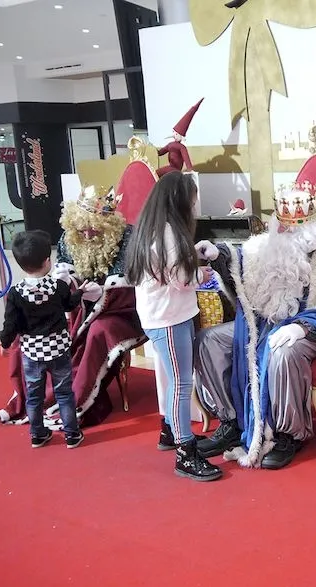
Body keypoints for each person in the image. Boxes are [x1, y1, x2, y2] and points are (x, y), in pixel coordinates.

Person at [193, 176, 316, 469]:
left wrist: (302, 327)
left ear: (315, 224)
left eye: (296, 228)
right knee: (209, 340)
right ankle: (233, 420)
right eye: (284, 226)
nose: (289, 232)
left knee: (283, 351)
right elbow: (242, 261)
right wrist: (218, 255)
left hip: (315, 331)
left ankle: (289, 433)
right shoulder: (268, 245)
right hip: (267, 323)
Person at [0, 185, 145, 429]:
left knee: (98, 331)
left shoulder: (128, 237)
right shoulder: (69, 236)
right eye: (81, 228)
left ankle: (78, 398)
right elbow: (64, 265)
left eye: (93, 228)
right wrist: (66, 280)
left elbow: (133, 282)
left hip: (122, 311)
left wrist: (104, 292)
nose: (86, 234)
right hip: (78, 307)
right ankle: (32, 399)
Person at [125, 171, 221, 482]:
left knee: (173, 380)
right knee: (181, 384)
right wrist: (204, 275)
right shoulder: (168, 234)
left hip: (162, 316)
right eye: (193, 200)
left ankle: (170, 430)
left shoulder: (151, 229)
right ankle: (185, 453)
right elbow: (182, 278)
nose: (195, 206)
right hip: (169, 319)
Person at [0, 230, 87, 449]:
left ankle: (37, 434)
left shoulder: (16, 293)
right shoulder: (58, 287)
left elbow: (10, 323)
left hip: (32, 352)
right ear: (48, 261)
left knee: (34, 395)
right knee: (64, 393)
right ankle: (72, 434)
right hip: (58, 349)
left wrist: (5, 343)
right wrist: (80, 293)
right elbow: (69, 305)